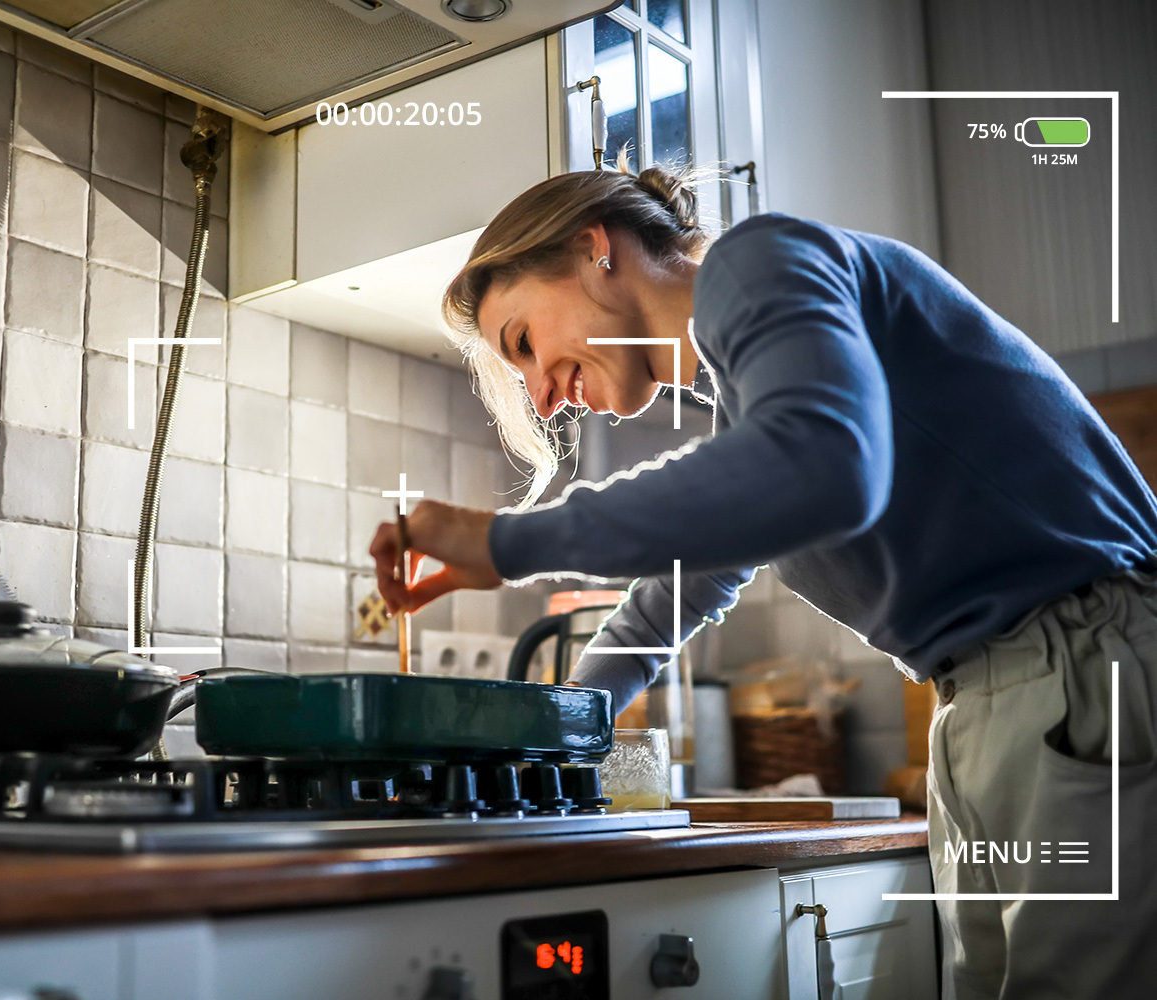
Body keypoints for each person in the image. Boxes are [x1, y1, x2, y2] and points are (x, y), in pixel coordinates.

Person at [370, 165, 1157, 999]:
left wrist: (504, 540)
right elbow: (665, 602)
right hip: (997, 709)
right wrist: (549, 738)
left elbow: (823, 464)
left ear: (592, 248)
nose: (540, 394)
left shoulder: (759, 261)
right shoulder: (753, 406)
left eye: (525, 341)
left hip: (1083, 672)